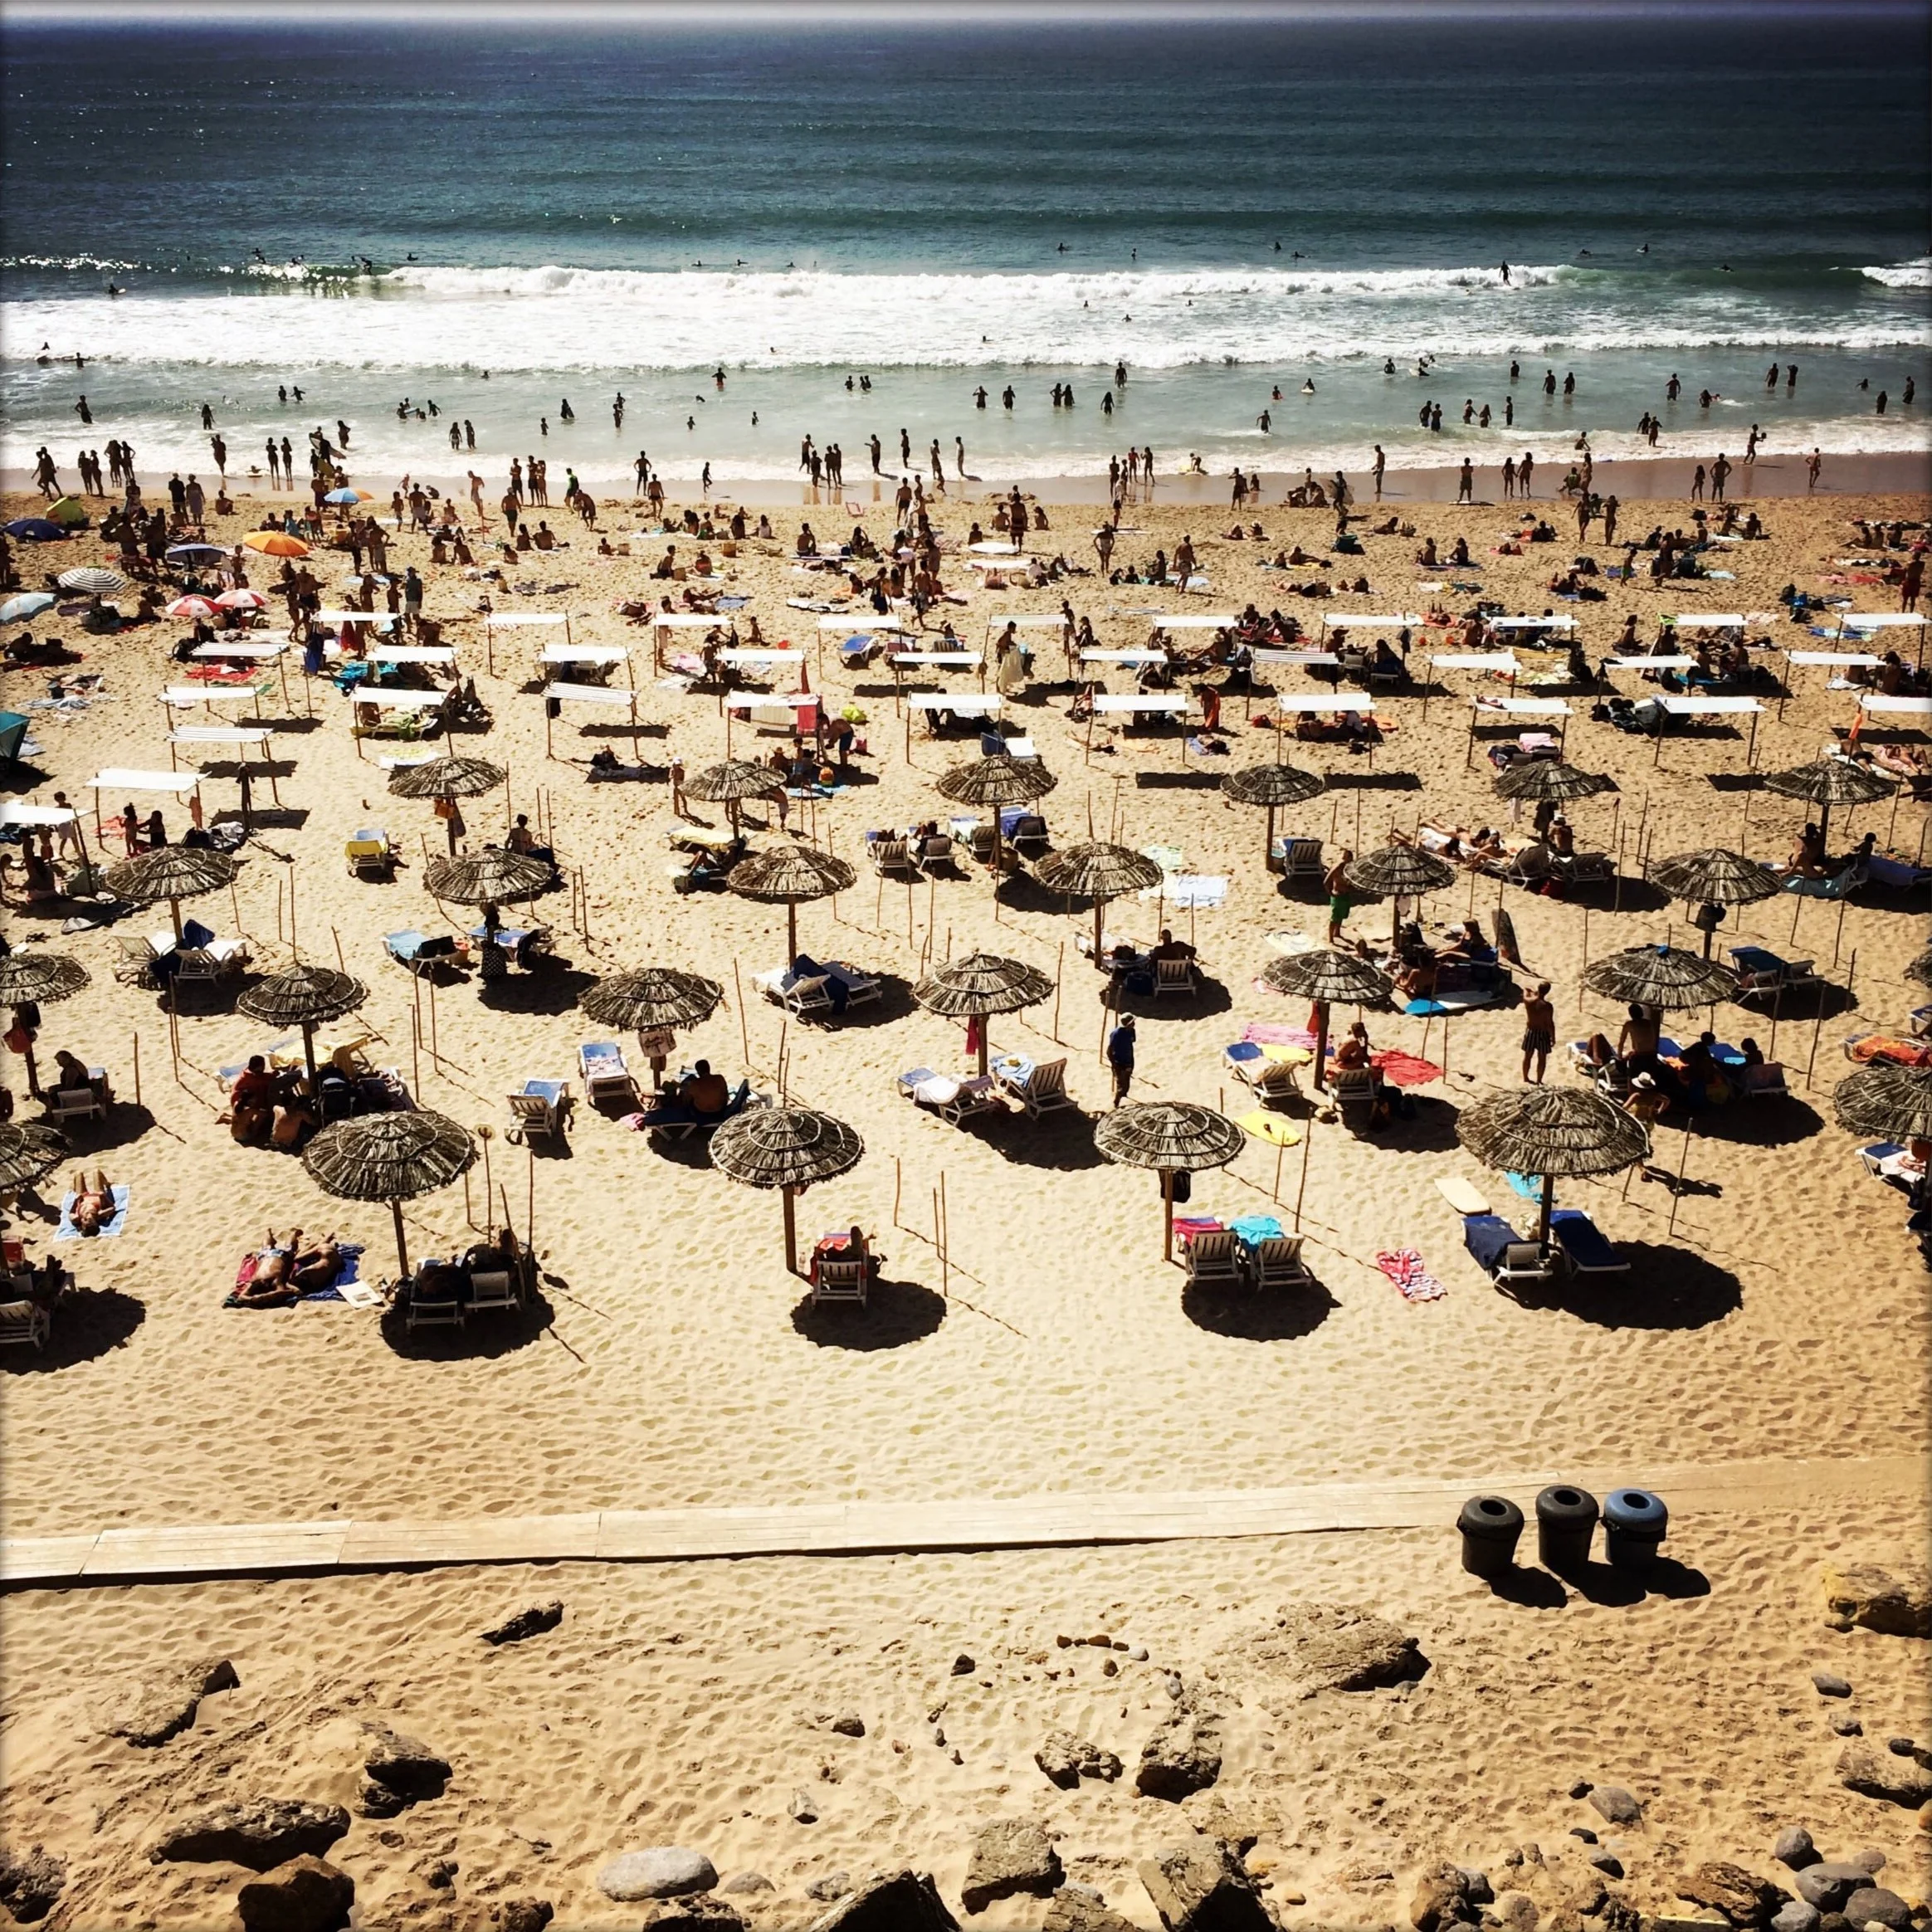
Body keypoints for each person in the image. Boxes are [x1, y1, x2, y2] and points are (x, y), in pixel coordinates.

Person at [1521, 981, 1555, 1084]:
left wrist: (1533, 991)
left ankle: (1525, 1078)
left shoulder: (1528, 1000)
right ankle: (1539, 1080)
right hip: (1542, 1033)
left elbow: (1526, 989)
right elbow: (1550, 1023)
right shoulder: (1547, 1006)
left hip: (1531, 1031)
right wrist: (1553, 1037)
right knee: (1542, 1058)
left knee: (1527, 1056)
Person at [67, 1168, 116, 1236]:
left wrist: (76, 1201)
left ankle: (75, 1188)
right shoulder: (100, 1214)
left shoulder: (76, 1218)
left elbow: (71, 1213)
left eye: (86, 1221)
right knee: (96, 1171)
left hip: (83, 1196)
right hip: (97, 1195)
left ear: (82, 1224)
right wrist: (103, 1197)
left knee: (78, 1173)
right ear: (96, 1223)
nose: (89, 1220)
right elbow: (113, 1208)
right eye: (92, 1224)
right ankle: (107, 1184)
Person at [1324, 851, 1354, 946]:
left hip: (1346, 895)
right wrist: (1331, 893)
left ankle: (1337, 933)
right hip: (1337, 895)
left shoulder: (1350, 868)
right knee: (1335, 917)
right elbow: (1326, 881)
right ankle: (1331, 939)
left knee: (1342, 915)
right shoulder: (1338, 867)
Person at [1106, 1012, 1136, 1106]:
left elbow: (1132, 1041)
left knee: (1127, 1084)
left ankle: (1123, 1097)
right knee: (1121, 1085)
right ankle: (1116, 1102)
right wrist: (1114, 1063)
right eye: (1132, 1023)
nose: (1134, 1024)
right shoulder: (1116, 1034)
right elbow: (1109, 1050)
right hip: (1119, 1063)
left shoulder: (1131, 1031)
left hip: (1129, 1061)